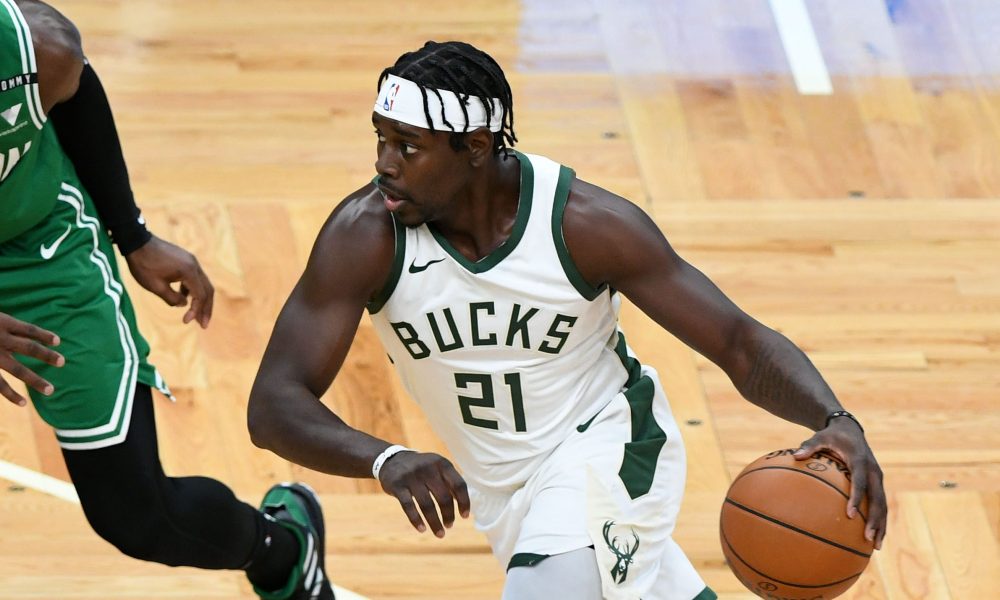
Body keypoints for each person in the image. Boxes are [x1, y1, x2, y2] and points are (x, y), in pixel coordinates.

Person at [247, 40, 887, 600]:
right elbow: (272, 404)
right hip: (501, 489)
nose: (384, 163)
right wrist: (384, 458)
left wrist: (835, 419)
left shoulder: (585, 225)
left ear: (473, 147)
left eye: (407, 147)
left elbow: (738, 341)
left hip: (608, 450)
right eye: (381, 139)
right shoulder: (364, 236)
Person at [0, 1, 334, 598]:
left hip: (38, 254)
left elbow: (72, 82)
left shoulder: (34, 51)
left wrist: (132, 234)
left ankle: (282, 551)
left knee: (138, 515)